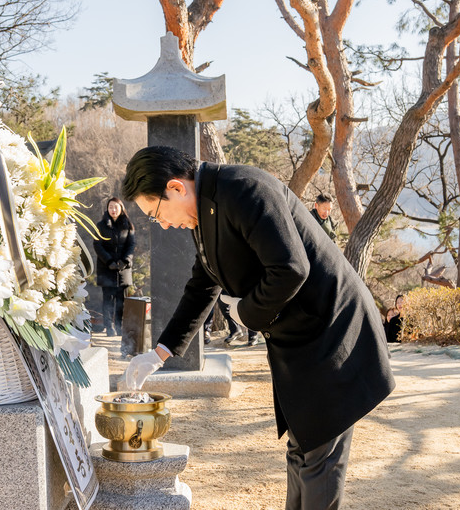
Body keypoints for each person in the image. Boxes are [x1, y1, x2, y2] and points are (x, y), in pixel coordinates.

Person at [120, 146, 395, 510]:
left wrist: (246, 313)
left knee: (319, 454)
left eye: (157, 215)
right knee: (302, 447)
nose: (165, 224)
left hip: (331, 328)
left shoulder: (244, 188)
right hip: (297, 339)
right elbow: (203, 284)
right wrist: (159, 353)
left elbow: (291, 268)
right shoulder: (204, 211)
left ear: (175, 187)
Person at [93, 197, 135, 338]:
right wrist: (109, 261)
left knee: (121, 301)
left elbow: (131, 245)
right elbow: (97, 245)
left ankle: (119, 327)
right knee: (108, 300)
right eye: (110, 207)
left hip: (123, 269)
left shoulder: (128, 225)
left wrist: (126, 260)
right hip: (107, 268)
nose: (113, 210)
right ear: (107, 208)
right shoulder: (101, 225)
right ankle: (109, 328)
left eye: (116, 207)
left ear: (121, 208)